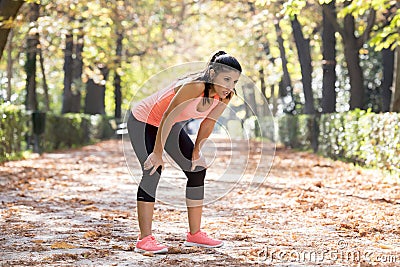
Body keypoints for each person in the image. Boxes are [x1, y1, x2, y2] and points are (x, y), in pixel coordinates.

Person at [127, 50, 242, 254]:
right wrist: (157, 153)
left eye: (234, 81)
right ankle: (144, 239)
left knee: (197, 170)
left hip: (170, 126)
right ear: (213, 73)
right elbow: (168, 117)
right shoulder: (194, 86)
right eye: (226, 79)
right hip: (143, 121)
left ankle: (195, 235)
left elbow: (208, 123)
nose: (230, 86)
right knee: (153, 170)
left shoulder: (225, 96)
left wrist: (196, 151)